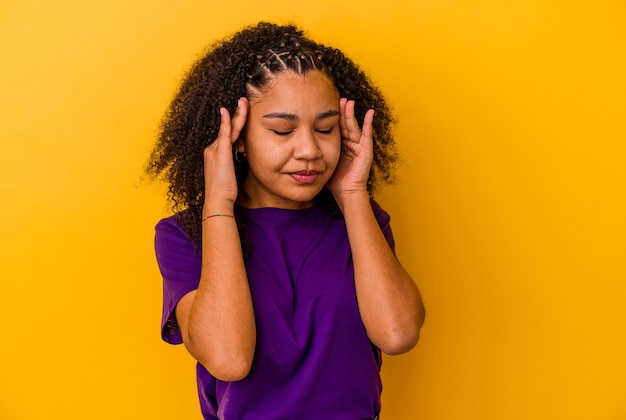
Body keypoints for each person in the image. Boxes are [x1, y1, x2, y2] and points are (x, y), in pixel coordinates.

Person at [147, 21, 425, 419]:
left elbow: (397, 334)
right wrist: (219, 202)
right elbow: (228, 359)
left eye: (325, 128)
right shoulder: (184, 235)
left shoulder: (361, 221)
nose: (309, 149)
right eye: (282, 130)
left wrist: (352, 195)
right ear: (236, 137)